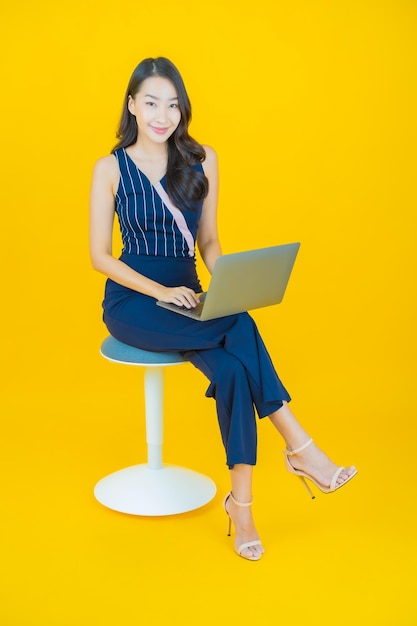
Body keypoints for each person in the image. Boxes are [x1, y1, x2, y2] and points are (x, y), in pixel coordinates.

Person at [89, 57, 357, 561]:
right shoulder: (110, 168)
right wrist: (160, 292)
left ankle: (243, 506)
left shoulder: (202, 159)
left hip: (190, 295)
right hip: (135, 302)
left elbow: (208, 241)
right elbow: (100, 257)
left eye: (172, 104)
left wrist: (227, 279)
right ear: (132, 106)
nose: (162, 115)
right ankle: (302, 449)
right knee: (241, 324)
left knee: (234, 369)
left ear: (182, 109)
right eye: (150, 103)